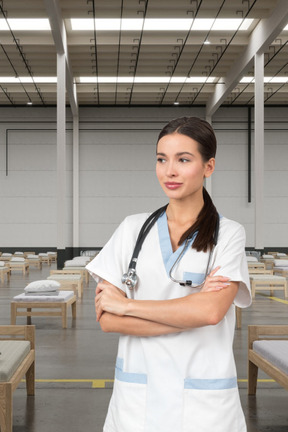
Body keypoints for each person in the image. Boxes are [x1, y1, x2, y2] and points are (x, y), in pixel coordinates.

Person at [86, 116, 251, 432]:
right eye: (162, 159)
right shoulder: (132, 229)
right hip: (137, 400)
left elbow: (212, 311)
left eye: (183, 159)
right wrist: (189, 312)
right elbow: (107, 319)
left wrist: (128, 306)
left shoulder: (228, 234)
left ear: (208, 166)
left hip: (204, 405)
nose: (169, 171)